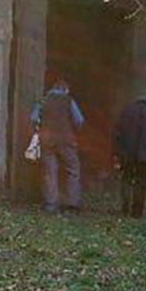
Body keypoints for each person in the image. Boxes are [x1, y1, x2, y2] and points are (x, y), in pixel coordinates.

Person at [31, 79, 85, 214]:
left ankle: (51, 204)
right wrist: (72, 130)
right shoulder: (68, 100)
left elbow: (33, 118)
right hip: (66, 139)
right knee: (72, 170)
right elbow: (79, 120)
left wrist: (39, 129)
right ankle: (72, 205)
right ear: (65, 89)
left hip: (47, 140)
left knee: (49, 171)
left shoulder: (43, 100)